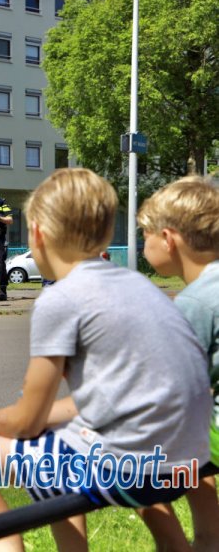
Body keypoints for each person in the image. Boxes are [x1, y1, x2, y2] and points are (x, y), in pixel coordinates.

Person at [0, 168, 210, 551]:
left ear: (37, 235)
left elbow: (27, 419)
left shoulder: (60, 298)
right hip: (187, 461)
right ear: (105, 236)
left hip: (131, 468)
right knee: (59, 441)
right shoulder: (138, 285)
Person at [138, 176, 219, 552]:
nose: (144, 245)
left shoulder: (194, 303)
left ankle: (179, 546)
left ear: (168, 240)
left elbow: (164, 386)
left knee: (129, 461)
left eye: (145, 235)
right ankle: (208, 537)